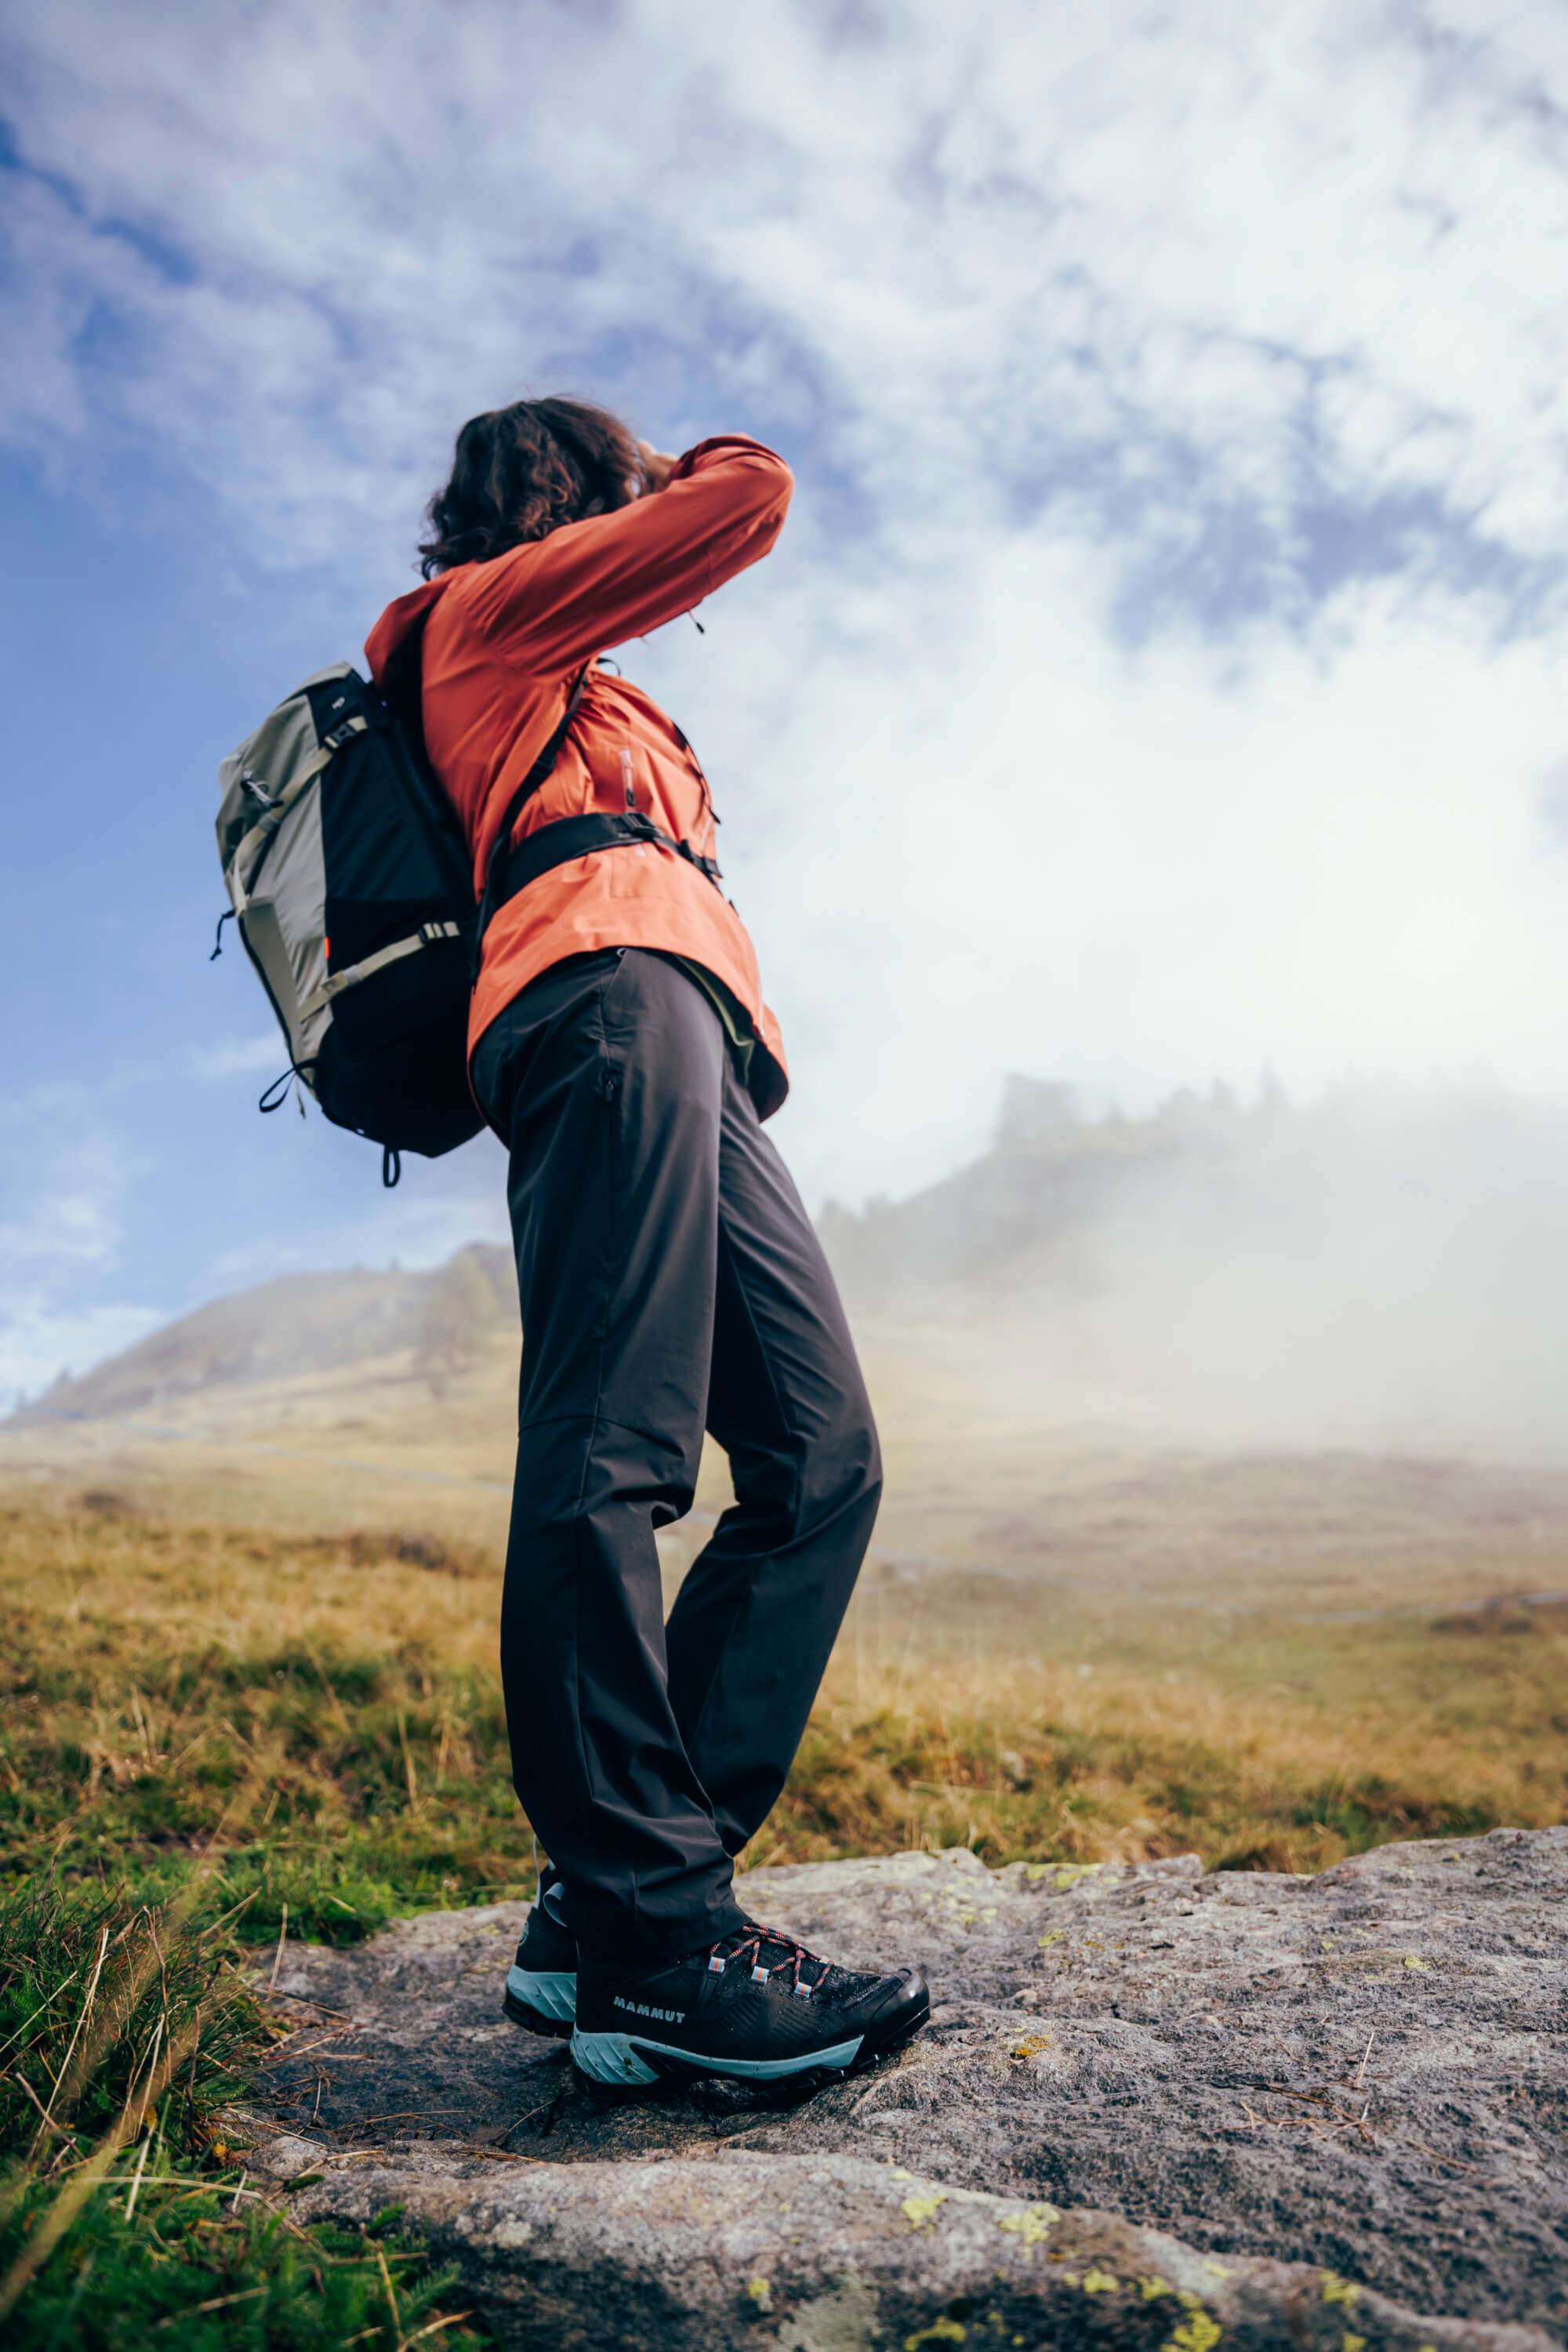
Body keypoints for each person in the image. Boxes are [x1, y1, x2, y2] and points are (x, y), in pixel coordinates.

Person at [365, 397, 927, 2088]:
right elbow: (748, 503)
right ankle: (659, 1947)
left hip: (681, 1026)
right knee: (614, 1449)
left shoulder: (574, 666)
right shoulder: (490, 616)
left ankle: (595, 1915)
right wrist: (687, 460)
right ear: (571, 491)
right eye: (612, 490)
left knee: (820, 1461)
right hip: (595, 997)